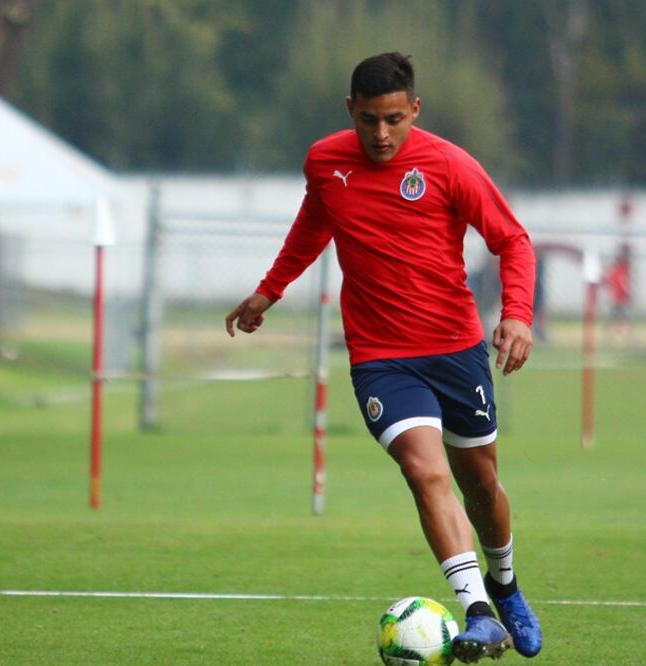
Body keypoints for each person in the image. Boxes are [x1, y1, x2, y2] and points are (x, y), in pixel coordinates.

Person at [225, 53, 542, 663]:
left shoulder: (450, 165)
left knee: (481, 485)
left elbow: (512, 240)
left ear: (414, 110)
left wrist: (519, 313)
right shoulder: (325, 161)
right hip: (380, 358)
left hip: (456, 351)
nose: (381, 134)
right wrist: (270, 289)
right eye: (369, 120)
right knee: (425, 471)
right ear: (351, 110)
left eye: (394, 119)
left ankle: (505, 585)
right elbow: (313, 225)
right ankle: (478, 612)